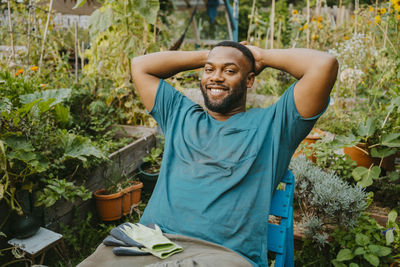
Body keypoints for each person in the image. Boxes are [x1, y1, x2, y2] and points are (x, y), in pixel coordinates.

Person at [78, 41, 338, 267]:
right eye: (209, 70)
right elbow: (141, 65)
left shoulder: (274, 126)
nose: (216, 77)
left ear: (249, 80)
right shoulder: (180, 114)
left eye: (230, 70)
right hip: (150, 241)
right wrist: (213, 54)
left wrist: (258, 56)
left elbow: (323, 65)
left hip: (222, 255)